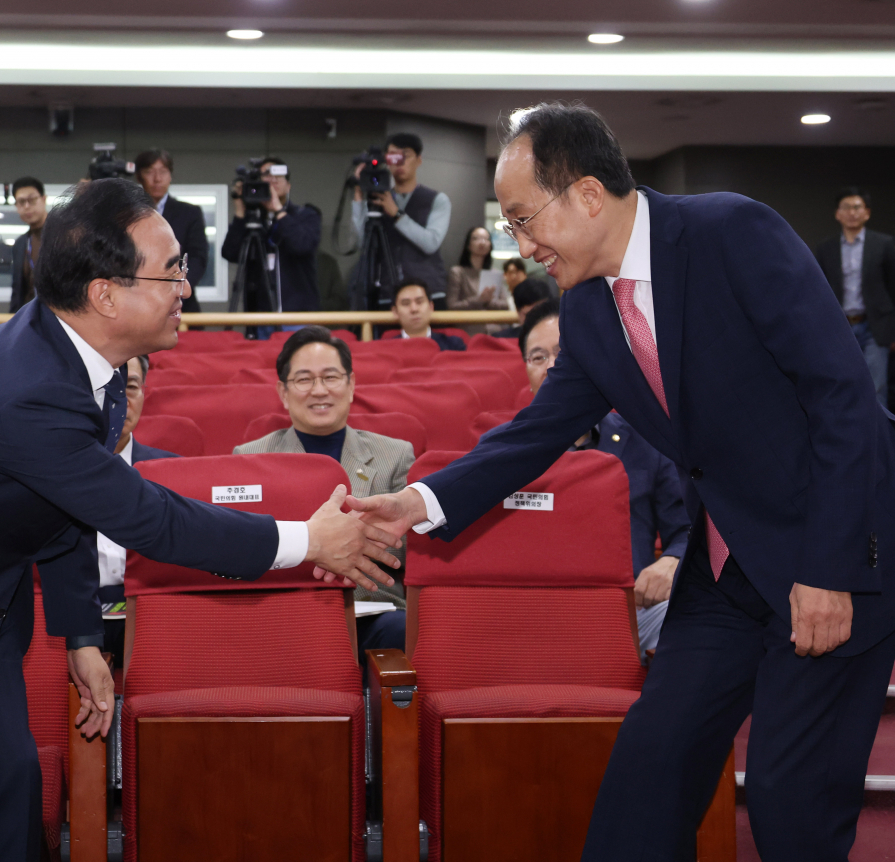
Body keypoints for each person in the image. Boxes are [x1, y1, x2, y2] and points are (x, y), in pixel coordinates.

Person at [0, 178, 399, 861]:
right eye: (173, 269)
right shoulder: (27, 391)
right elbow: (144, 518)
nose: (187, 284)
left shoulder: (82, 360)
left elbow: (62, 507)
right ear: (105, 293)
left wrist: (80, 636)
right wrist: (306, 540)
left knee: (9, 785)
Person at [344, 102, 895, 862]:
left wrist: (829, 570)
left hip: (832, 554)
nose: (522, 244)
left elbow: (844, 401)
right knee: (649, 771)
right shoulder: (590, 308)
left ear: (589, 195)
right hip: (728, 568)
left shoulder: (732, 233)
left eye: (525, 219)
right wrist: (421, 501)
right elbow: (538, 431)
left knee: (789, 800)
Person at [508, 298, 688, 655]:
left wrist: (673, 560)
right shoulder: (504, 452)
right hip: (535, 615)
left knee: (693, 621)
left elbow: (686, 528)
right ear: (526, 369)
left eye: (563, 352)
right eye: (538, 357)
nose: (551, 366)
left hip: (630, 612)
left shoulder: (646, 438)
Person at [235, 326, 414, 655]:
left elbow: (406, 555)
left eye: (331, 377)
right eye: (304, 379)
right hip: (285, 611)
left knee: (403, 631)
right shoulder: (248, 457)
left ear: (351, 386)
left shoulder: (396, 455)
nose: (319, 390)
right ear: (284, 392)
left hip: (370, 611)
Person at [97, 354, 176, 666]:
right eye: (107, 386)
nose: (120, 398)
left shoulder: (173, 472)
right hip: (71, 623)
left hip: (154, 617)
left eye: (130, 386)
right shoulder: (50, 470)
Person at [350, 132, 452, 309]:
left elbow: (430, 243)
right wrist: (359, 198)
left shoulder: (437, 199)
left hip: (428, 294)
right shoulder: (377, 199)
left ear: (419, 160)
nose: (400, 161)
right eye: (394, 156)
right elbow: (361, 244)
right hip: (388, 293)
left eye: (406, 155)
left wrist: (396, 213)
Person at [814, 188, 895, 405]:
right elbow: (818, 291)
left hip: (875, 326)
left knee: (876, 387)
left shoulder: (884, 245)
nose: (852, 212)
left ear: (867, 212)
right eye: (846, 208)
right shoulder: (825, 249)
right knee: (842, 385)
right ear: (837, 214)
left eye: (857, 207)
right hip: (839, 327)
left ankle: (879, 438)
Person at [221, 157, 322, 316]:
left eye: (278, 175)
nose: (272, 179)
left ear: (288, 186)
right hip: (260, 315)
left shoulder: (306, 215)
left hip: (298, 314)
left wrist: (278, 211)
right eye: (266, 175)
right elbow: (230, 253)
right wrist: (240, 213)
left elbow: (302, 245)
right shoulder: (251, 220)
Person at [135, 149, 206, 314]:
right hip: (137, 300)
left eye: (163, 172)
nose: (157, 179)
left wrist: (178, 287)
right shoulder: (128, 213)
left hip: (182, 302)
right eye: (149, 172)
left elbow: (198, 258)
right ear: (139, 176)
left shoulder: (189, 213)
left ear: (170, 175)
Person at [390, 280, 466, 350]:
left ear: (431, 307)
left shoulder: (453, 345)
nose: (414, 309)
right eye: (406, 304)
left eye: (419, 302)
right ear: (395, 311)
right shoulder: (386, 348)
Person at [446, 226, 508, 312]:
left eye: (486, 239)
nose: (482, 242)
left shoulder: (495, 273)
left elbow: (506, 305)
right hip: (468, 322)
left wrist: (488, 301)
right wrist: (478, 300)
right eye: (476, 239)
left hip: (494, 322)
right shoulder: (457, 272)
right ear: (468, 245)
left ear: (490, 245)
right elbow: (452, 306)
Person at [8, 177, 47, 313]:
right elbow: (17, 291)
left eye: (31, 200)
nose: (26, 206)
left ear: (44, 199)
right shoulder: (21, 243)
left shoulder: (63, 235)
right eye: (21, 202)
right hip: (29, 319)